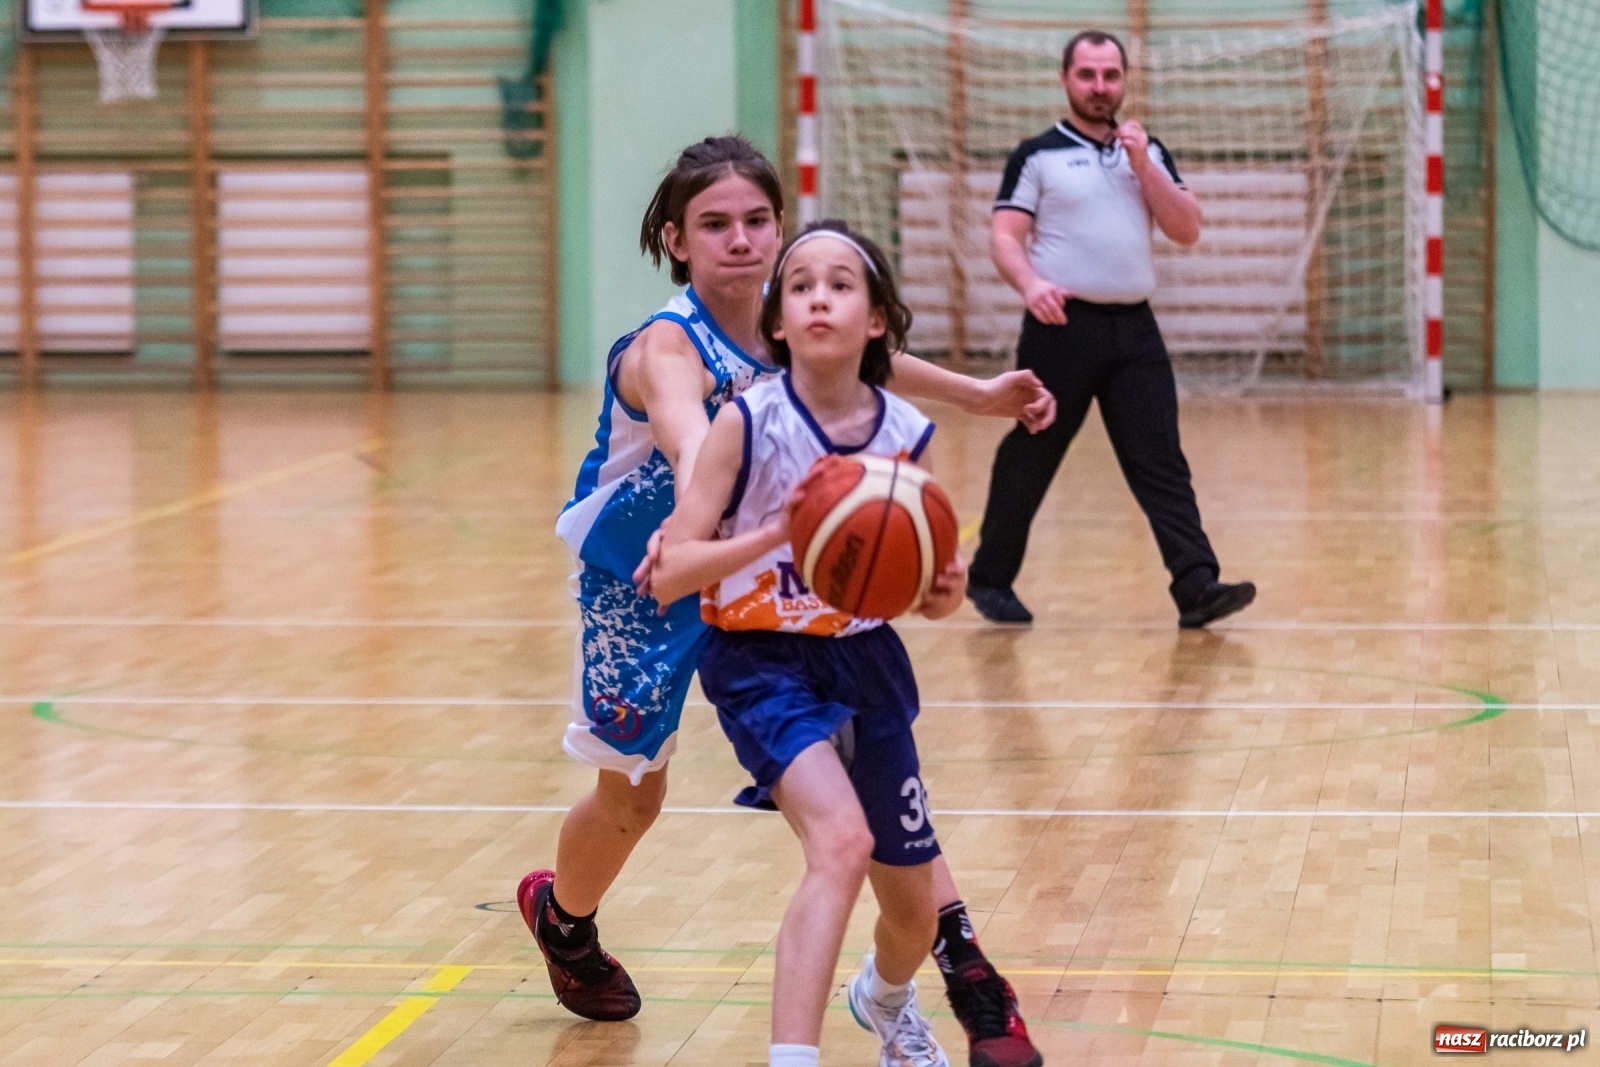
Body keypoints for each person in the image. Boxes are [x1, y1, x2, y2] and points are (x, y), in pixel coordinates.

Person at [519, 137, 1049, 1067]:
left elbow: (869, 365)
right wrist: (722, 513)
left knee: (868, 788)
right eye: (714, 225)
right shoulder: (664, 346)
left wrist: (980, 395)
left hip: (769, 583)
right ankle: (564, 919)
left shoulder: (795, 320)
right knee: (631, 800)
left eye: (757, 220)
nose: (740, 240)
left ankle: (959, 961)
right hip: (646, 584)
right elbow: (695, 439)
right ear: (677, 241)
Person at [638, 219, 963, 1067]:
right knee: (841, 843)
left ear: (879, 319)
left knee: (914, 911)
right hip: (759, 660)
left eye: (842, 283)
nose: (820, 295)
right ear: (778, 322)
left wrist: (942, 587)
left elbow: (929, 588)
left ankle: (885, 999)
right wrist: (779, 532)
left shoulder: (906, 431)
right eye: (802, 284)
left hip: (865, 661)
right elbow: (670, 572)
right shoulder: (746, 424)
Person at [966, 30, 1255, 629]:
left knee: (1161, 460)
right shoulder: (1036, 155)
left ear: (1125, 80)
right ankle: (990, 580)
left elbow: (1185, 228)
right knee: (1032, 452)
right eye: (1088, 75)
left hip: (1135, 334)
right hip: (1060, 330)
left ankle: (1197, 586)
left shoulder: (1146, 151)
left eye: (1111, 76)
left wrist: (1143, 162)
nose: (1101, 87)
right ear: (1066, 79)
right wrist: (1031, 285)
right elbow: (1004, 236)